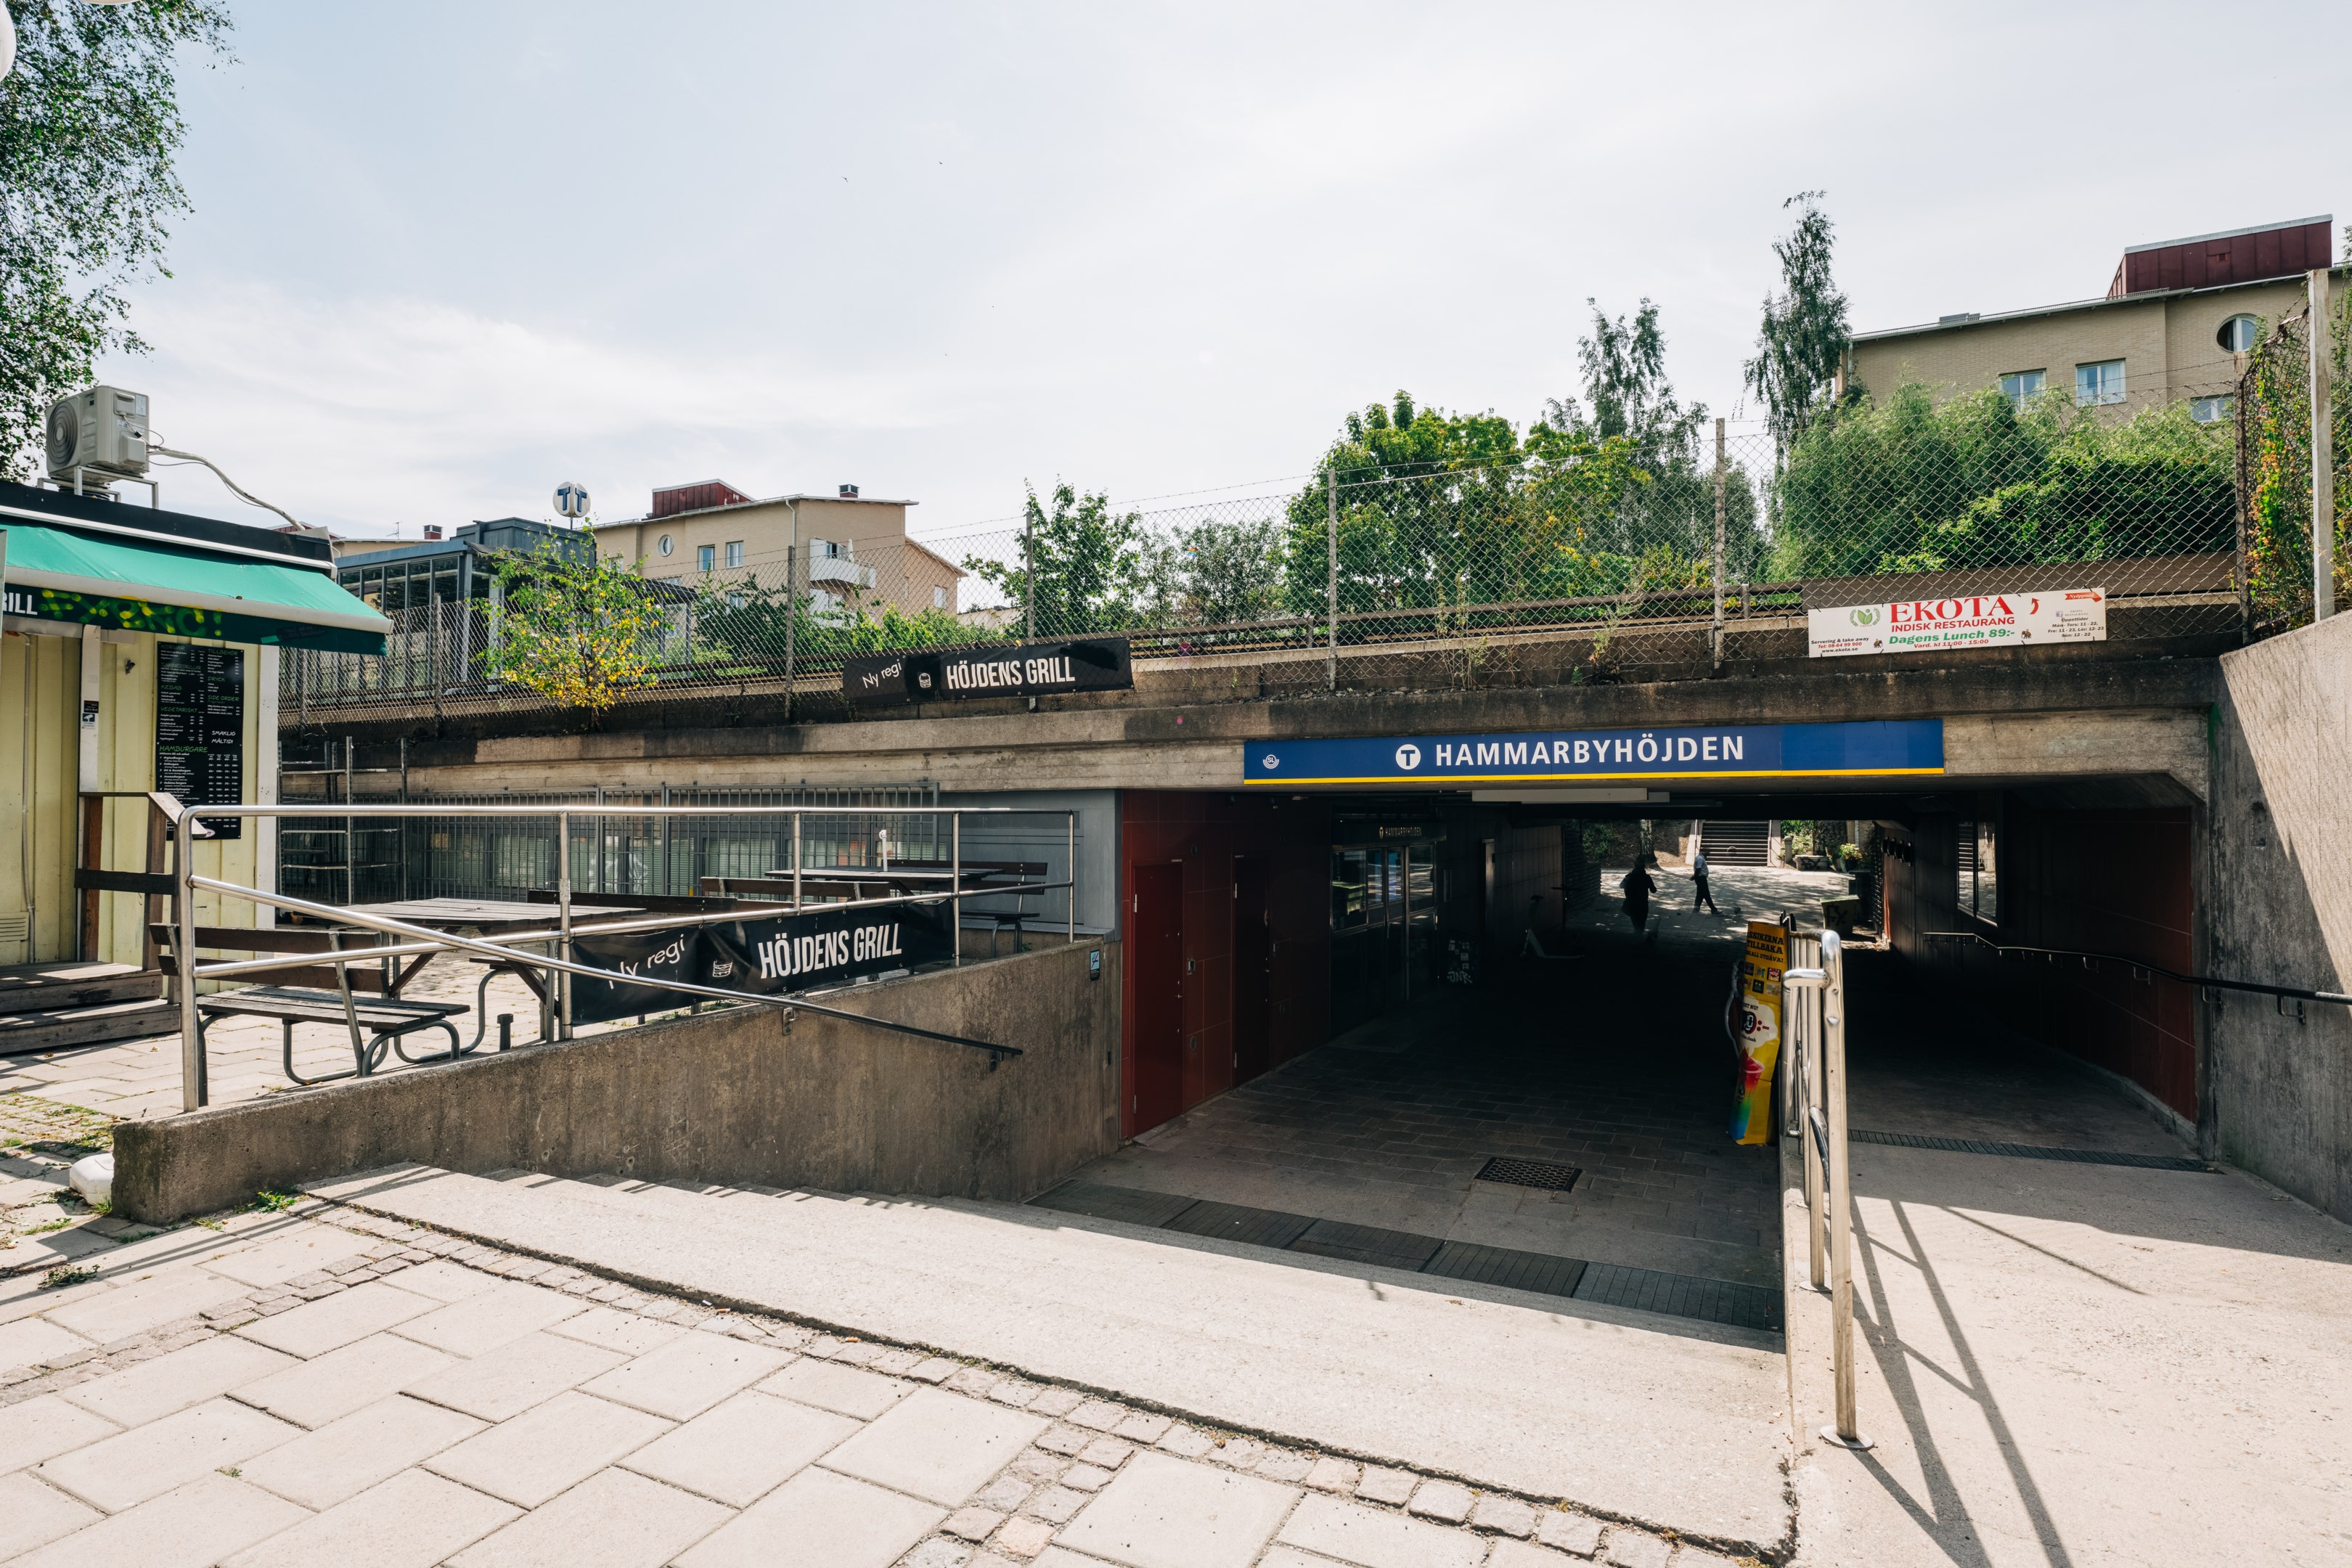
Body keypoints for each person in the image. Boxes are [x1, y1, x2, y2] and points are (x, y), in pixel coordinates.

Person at [1620, 857, 1658, 936]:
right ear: (1644, 867)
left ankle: (1637, 932)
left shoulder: (1629, 877)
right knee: (1642, 920)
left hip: (1631, 901)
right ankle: (1639, 933)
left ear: (1635, 866)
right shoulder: (1647, 878)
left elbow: (1621, 886)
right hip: (1642, 902)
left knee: (1634, 918)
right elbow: (1653, 890)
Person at [1691, 849, 1720, 914]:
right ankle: (1714, 909)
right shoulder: (1701, 859)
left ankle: (1696, 909)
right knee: (1706, 894)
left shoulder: (1699, 857)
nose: (1708, 855)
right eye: (1707, 853)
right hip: (1701, 878)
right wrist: (1694, 877)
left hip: (1700, 878)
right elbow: (1698, 869)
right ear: (1704, 852)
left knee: (1700, 894)